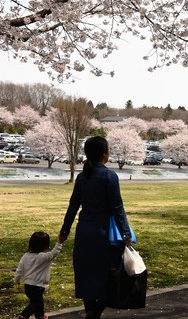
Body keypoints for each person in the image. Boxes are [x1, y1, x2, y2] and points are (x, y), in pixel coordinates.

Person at [59, 136, 133, 319]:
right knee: (110, 278)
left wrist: (64, 230)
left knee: (87, 279)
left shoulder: (82, 176)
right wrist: (126, 232)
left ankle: (91, 314)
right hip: (103, 234)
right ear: (104, 153)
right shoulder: (109, 176)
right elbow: (117, 207)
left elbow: (73, 205)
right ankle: (93, 315)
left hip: (84, 233)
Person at [14, 231, 64, 319]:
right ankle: (23, 316)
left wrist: (17, 280)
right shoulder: (43, 257)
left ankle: (40, 316)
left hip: (28, 286)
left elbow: (19, 270)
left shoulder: (25, 256)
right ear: (45, 245)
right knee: (36, 303)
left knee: (38, 302)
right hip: (37, 286)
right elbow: (54, 253)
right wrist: (59, 242)